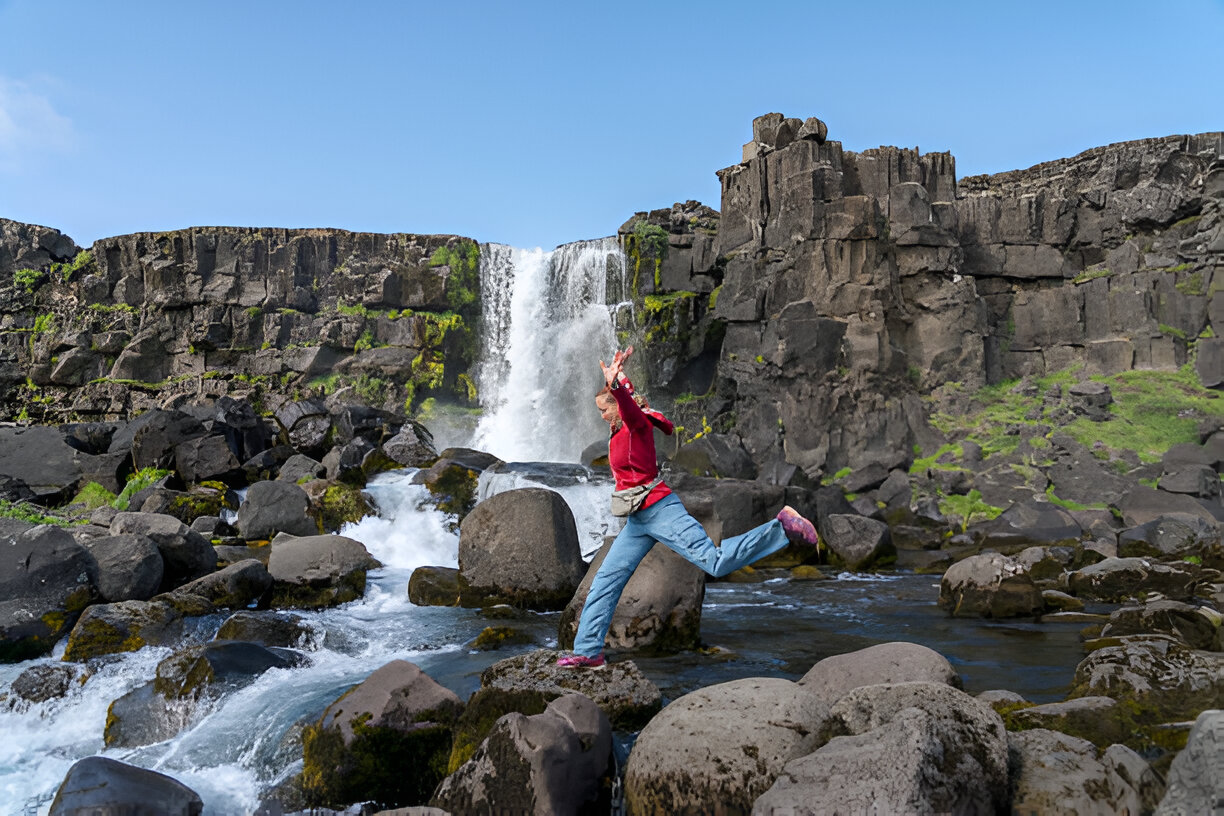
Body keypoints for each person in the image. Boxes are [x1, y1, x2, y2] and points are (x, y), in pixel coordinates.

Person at [556, 346, 820, 669]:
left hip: (660, 509)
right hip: (638, 519)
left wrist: (617, 386)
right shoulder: (616, 433)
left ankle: (781, 526)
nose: (601, 416)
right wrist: (616, 383)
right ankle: (589, 651)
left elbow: (630, 409)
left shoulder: (637, 427)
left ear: (617, 405)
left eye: (604, 409)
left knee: (715, 561)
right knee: (605, 580)